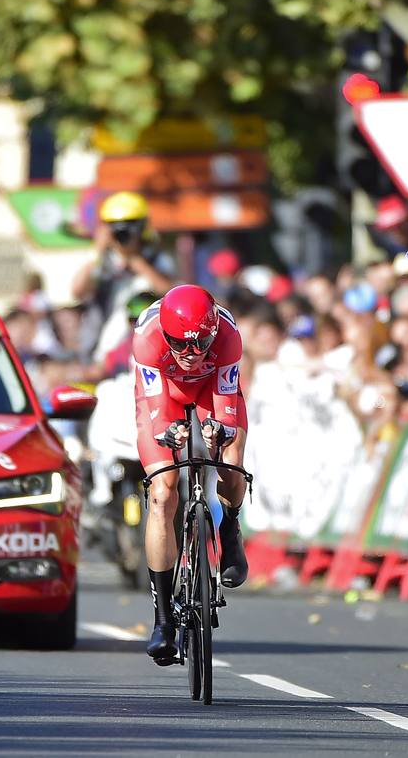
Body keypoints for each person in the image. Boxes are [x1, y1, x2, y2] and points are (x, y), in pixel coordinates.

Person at [133, 285, 250, 665]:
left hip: (211, 390)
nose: (190, 353)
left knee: (231, 464)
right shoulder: (147, 339)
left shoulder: (229, 337)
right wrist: (166, 432)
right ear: (165, 336)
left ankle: (230, 529)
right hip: (163, 394)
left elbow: (227, 407)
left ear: (213, 333)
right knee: (163, 493)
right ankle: (163, 620)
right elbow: (155, 413)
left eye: (200, 343)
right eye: (179, 345)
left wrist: (221, 429)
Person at [72, 191, 176, 363]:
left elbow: (169, 291)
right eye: (115, 226)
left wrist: (135, 261)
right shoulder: (100, 260)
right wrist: (97, 251)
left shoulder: (156, 258)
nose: (122, 233)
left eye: (129, 226)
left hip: (141, 350)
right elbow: (77, 291)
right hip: (99, 353)